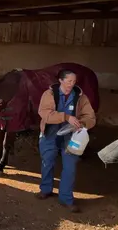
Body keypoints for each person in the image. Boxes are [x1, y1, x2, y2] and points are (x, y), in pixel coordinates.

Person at [36, 69, 96, 213]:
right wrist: (66, 117)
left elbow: (91, 117)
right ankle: (45, 190)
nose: (72, 84)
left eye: (74, 81)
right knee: (47, 162)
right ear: (61, 80)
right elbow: (44, 113)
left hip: (71, 137)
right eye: (69, 81)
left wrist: (81, 123)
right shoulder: (49, 95)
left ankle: (66, 199)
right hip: (50, 134)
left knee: (70, 167)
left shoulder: (81, 98)